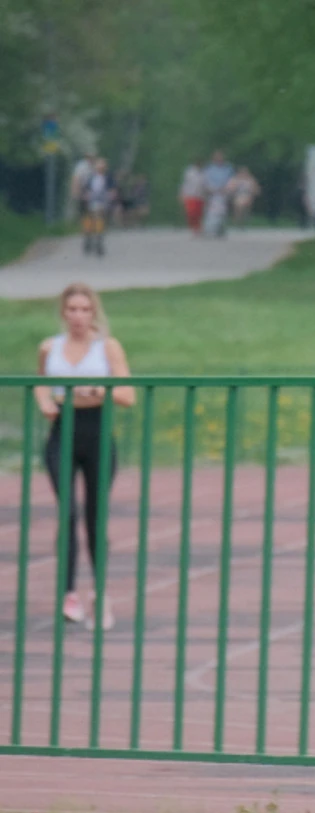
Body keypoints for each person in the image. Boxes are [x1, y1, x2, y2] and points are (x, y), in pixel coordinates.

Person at [34, 283, 135, 628]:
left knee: (95, 517)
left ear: (94, 312)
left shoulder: (107, 348)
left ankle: (100, 592)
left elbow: (126, 394)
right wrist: (45, 402)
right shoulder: (51, 347)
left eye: (85, 309)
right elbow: (41, 381)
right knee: (68, 513)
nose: (78, 316)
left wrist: (97, 390)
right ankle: (68, 593)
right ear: (63, 313)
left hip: (97, 434)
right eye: (72, 309)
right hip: (62, 433)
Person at [78, 157, 114, 257]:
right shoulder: (91, 177)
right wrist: (85, 195)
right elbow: (85, 189)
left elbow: (112, 189)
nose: (101, 168)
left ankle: (99, 239)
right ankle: (88, 237)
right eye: (99, 165)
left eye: (103, 166)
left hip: (103, 201)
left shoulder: (108, 177)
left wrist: (111, 194)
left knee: (100, 218)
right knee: (90, 219)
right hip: (92, 201)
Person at [179, 162, 206, 236]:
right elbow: (184, 184)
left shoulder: (204, 173)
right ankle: (192, 227)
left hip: (200, 196)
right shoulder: (189, 173)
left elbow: (205, 185)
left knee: (198, 214)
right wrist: (182, 194)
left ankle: (197, 229)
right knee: (190, 212)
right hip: (190, 195)